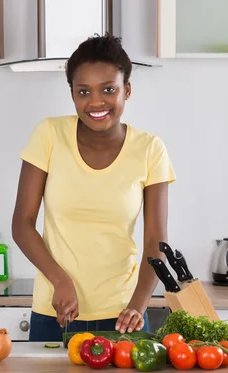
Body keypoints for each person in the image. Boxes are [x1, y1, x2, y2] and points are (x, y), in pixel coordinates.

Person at [11, 33, 176, 342]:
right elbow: (22, 224)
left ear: (126, 90)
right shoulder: (49, 134)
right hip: (56, 312)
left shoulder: (150, 148)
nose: (96, 102)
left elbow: (156, 240)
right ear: (72, 93)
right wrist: (61, 282)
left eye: (108, 89)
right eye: (83, 91)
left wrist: (137, 307)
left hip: (124, 316)